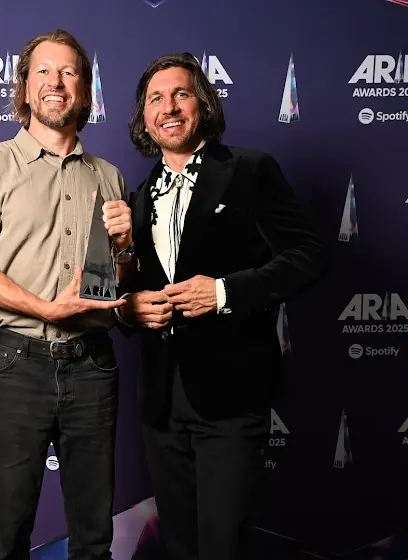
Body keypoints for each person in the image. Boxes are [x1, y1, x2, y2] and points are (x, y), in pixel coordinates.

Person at [117, 53, 328, 560]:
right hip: (162, 402)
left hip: (232, 398)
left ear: (204, 105)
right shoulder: (138, 199)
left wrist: (224, 292)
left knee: (222, 546)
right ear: (145, 117)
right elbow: (128, 294)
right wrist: (129, 308)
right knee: (179, 546)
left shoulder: (249, 170)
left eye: (181, 94)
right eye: (155, 99)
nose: (168, 107)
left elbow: (309, 256)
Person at [0, 29, 135, 560]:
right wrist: (47, 309)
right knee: (9, 536)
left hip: (93, 367)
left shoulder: (110, 177)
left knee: (94, 538)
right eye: (44, 71)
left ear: (85, 90)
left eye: (69, 72)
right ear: (25, 88)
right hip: (19, 366)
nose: (56, 82)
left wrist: (125, 249)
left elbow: (118, 285)